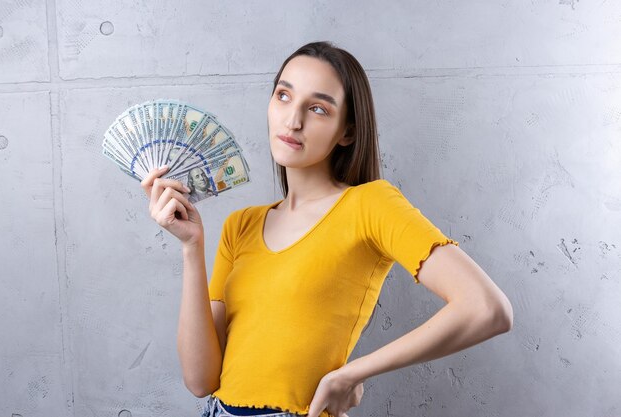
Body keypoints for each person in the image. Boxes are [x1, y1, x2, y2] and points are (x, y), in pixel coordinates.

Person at [141, 41, 513, 417]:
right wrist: (191, 247)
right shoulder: (242, 225)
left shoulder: (370, 205)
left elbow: (487, 308)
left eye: (318, 108)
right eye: (284, 96)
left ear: (346, 132)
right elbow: (201, 380)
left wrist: (349, 375)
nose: (293, 120)